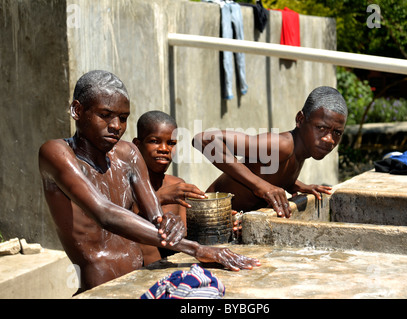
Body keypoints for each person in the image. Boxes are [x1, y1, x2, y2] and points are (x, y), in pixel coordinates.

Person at [38, 70, 260, 294]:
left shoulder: (128, 153)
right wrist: (195, 248)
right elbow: (105, 213)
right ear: (77, 111)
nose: (116, 126)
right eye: (105, 115)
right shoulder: (56, 153)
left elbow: (156, 218)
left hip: (143, 280)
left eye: (123, 118)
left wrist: (169, 223)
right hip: (99, 288)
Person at [192, 86, 348, 218]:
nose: (329, 139)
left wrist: (297, 186)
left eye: (337, 133)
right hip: (208, 220)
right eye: (321, 128)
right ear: (300, 119)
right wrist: (260, 186)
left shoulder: (299, 154)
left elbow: (268, 174)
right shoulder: (281, 145)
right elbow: (203, 139)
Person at [132, 110, 206, 265]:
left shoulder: (177, 185)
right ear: (137, 145)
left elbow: (184, 236)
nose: (164, 149)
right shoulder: (127, 188)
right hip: (137, 276)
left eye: (171, 143)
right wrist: (160, 197)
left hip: (172, 272)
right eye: (154, 141)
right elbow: (120, 224)